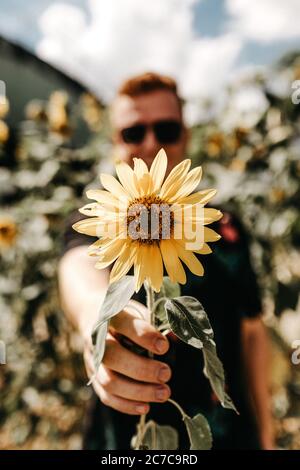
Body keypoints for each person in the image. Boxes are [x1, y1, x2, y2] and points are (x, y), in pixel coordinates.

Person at [58, 72, 274, 449]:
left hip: (227, 435)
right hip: (126, 439)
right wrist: (100, 319)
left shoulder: (223, 227)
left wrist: (267, 434)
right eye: (133, 132)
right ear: (115, 142)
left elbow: (252, 333)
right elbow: (80, 274)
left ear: (185, 135)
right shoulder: (100, 216)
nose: (151, 144)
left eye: (167, 129)